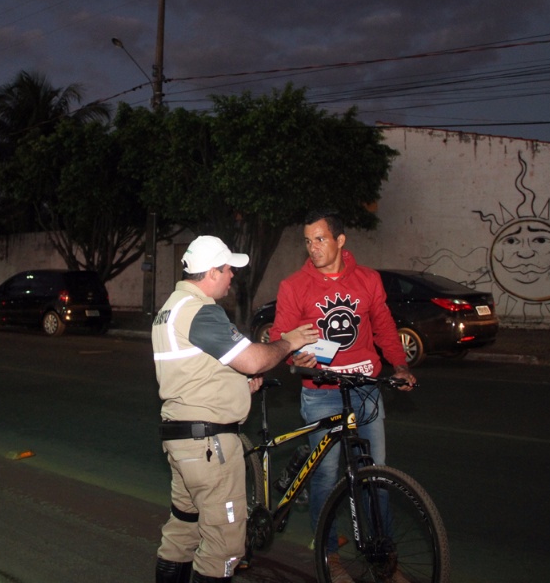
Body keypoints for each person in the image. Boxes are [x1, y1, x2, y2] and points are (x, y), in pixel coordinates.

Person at [153, 235, 320, 583]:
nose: (233, 276)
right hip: (210, 448)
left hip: (183, 441)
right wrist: (289, 341)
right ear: (212, 272)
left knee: (183, 531)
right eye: (228, 269)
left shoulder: (171, 308)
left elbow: (193, 372)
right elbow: (253, 359)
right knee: (223, 549)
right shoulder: (202, 312)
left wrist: (237, 385)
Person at [270, 210, 416, 577]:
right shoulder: (294, 286)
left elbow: (383, 326)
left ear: (339, 240)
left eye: (320, 239)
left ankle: (384, 557)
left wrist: (399, 366)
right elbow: (279, 337)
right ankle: (329, 553)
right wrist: (293, 352)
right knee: (325, 475)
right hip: (321, 392)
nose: (313, 247)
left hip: (365, 389)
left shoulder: (367, 280)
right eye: (308, 240)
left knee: (375, 475)